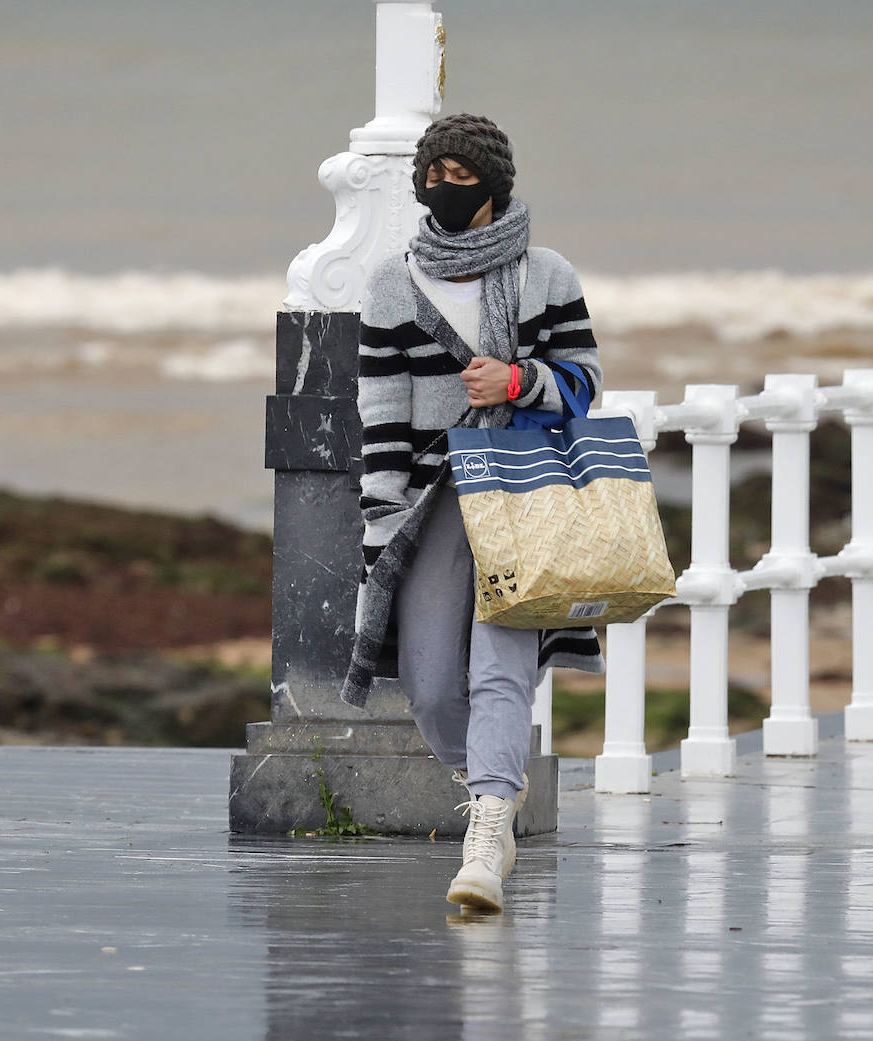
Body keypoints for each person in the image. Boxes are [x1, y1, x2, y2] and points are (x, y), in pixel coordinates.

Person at [340, 113, 605, 912]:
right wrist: (377, 526)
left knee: (501, 666)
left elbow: (586, 384)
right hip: (431, 502)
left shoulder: (546, 274)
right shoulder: (393, 282)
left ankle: (487, 831)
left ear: (495, 185)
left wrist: (520, 383)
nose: (445, 190)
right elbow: (381, 416)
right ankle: (498, 788)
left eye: (462, 177)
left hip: (523, 489)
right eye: (434, 175)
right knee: (427, 686)